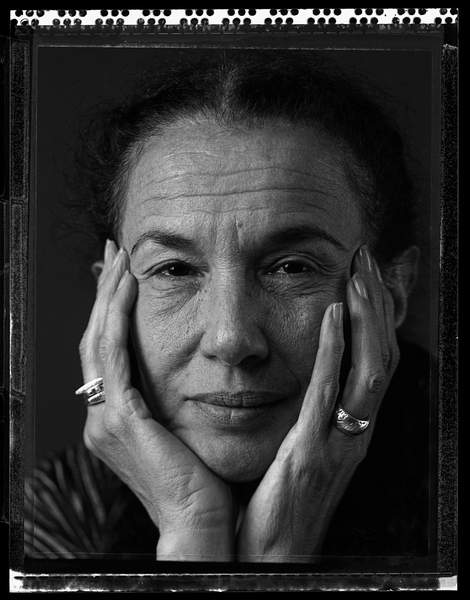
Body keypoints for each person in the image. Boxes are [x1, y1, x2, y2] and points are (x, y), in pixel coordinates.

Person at [24, 51, 431, 563]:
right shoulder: (66, 512)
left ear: (391, 292)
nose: (231, 339)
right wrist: (192, 525)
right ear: (112, 303)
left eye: (292, 267)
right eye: (174, 270)